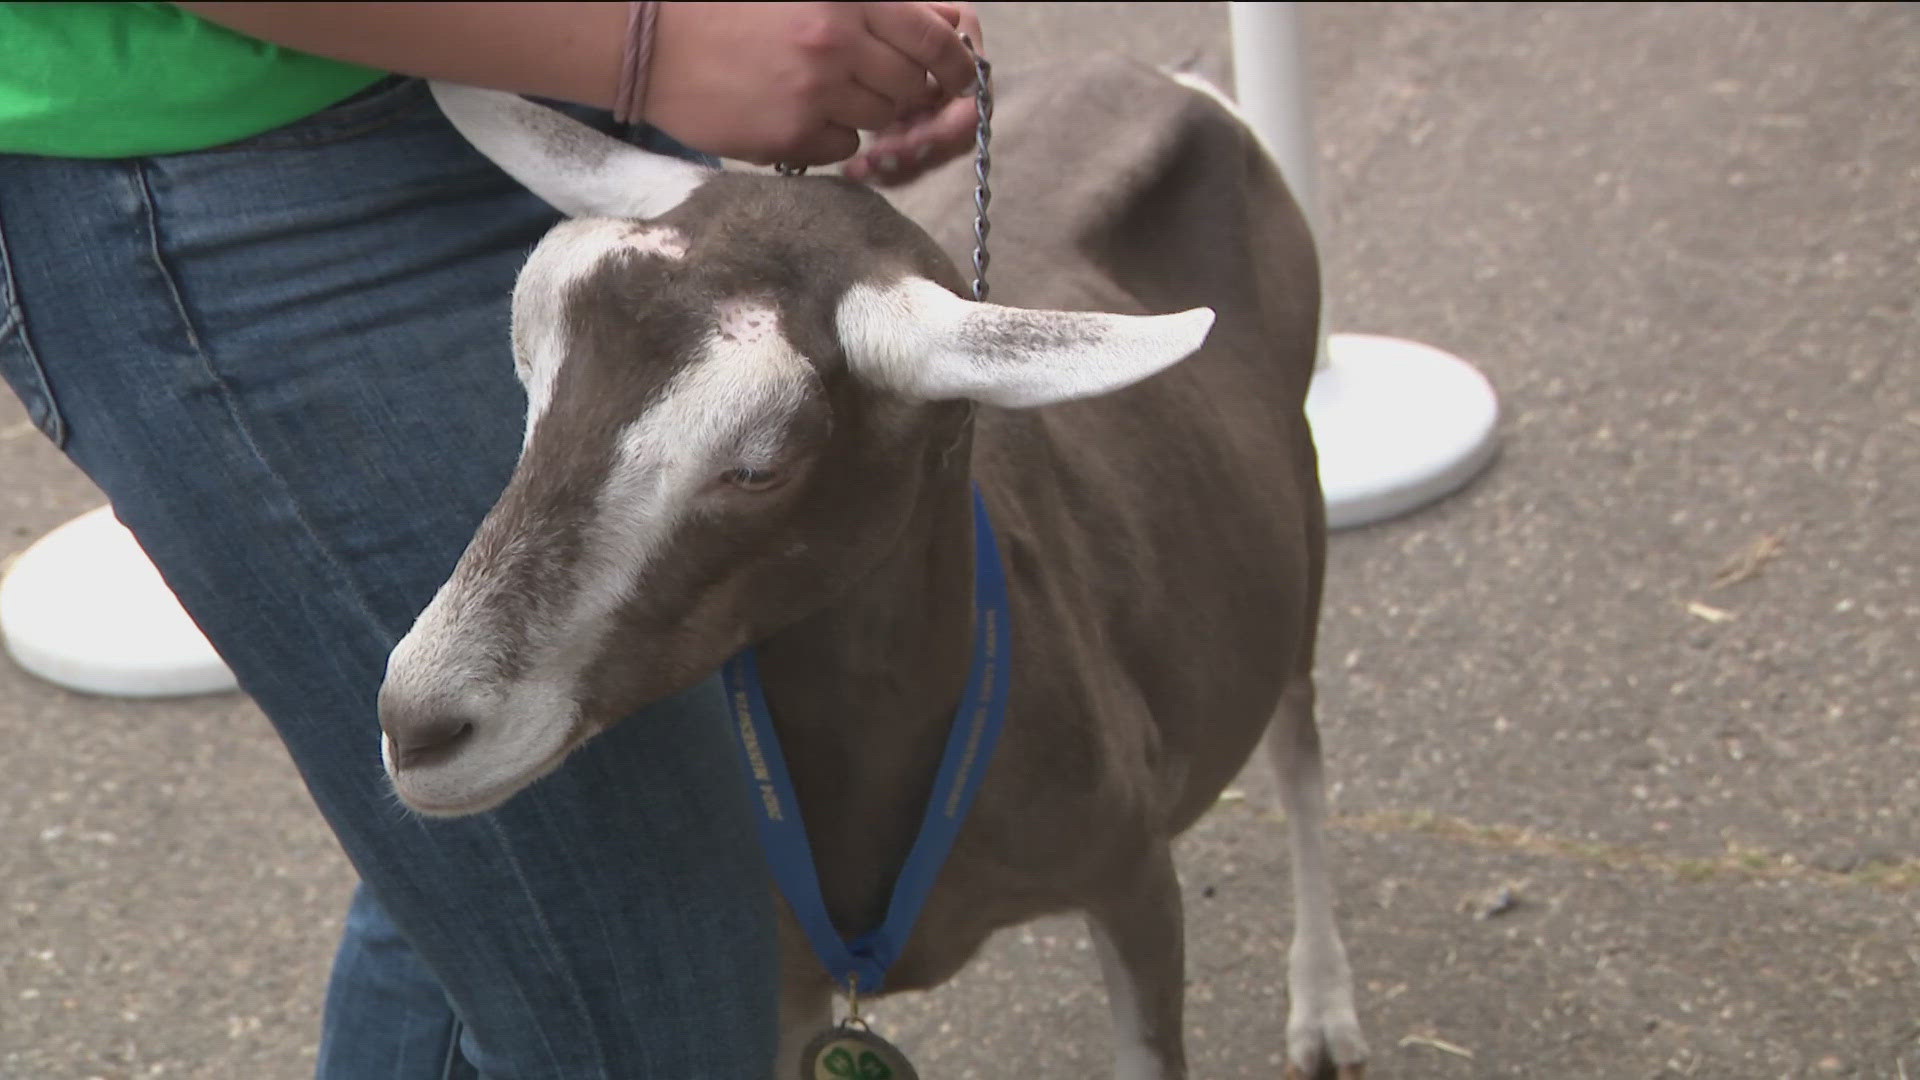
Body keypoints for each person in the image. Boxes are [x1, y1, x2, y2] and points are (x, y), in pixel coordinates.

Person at [0, 3, 984, 1077]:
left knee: (492, 846)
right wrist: (650, 45)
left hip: (568, 89)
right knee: (644, 995)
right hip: (231, 151)